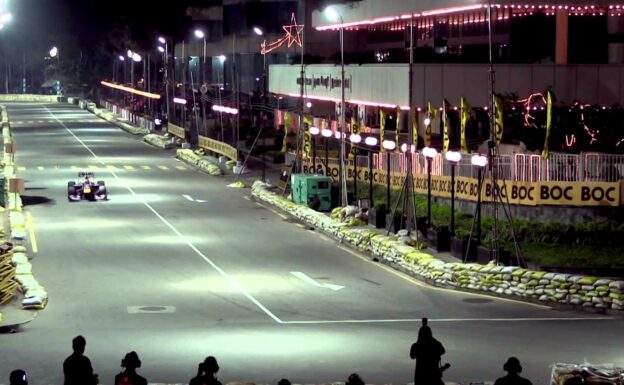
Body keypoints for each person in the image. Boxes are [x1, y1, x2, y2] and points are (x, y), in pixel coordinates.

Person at [410, 318, 446, 385]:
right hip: (432, 377)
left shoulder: (416, 346)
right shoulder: (435, 344)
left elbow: (412, 356)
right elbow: (442, 351)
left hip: (420, 378)